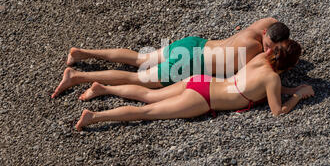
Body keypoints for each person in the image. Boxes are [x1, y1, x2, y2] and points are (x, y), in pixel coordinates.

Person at [75, 39, 314, 131]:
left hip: (200, 81)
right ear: (289, 66)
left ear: (272, 51)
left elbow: (257, 86)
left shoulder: (260, 59)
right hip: (203, 99)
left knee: (148, 94)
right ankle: (95, 117)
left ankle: (104, 88)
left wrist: (289, 89)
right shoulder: (272, 79)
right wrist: (298, 96)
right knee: (146, 111)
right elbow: (277, 112)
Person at [51, 17, 290, 98]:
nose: (268, 51)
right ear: (264, 36)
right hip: (190, 64)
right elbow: (252, 77)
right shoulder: (252, 50)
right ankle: (78, 76)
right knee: (137, 79)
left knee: (139, 59)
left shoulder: (266, 24)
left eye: (272, 48)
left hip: (193, 43)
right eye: (267, 45)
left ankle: (81, 52)